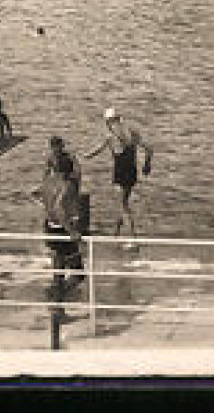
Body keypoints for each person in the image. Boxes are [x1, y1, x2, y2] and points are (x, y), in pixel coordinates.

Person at [84, 107, 154, 238]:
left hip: (120, 172)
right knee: (123, 202)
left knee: (122, 206)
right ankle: (115, 235)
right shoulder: (132, 133)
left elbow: (97, 150)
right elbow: (149, 149)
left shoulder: (111, 136)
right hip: (132, 171)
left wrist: (84, 156)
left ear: (108, 121)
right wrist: (146, 165)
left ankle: (134, 239)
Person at [35, 149, 85, 297]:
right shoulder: (67, 185)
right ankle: (59, 296)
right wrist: (72, 231)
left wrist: (45, 207)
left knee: (59, 268)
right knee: (78, 274)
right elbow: (59, 209)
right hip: (62, 230)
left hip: (49, 227)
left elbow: (35, 194)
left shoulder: (47, 182)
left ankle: (57, 309)